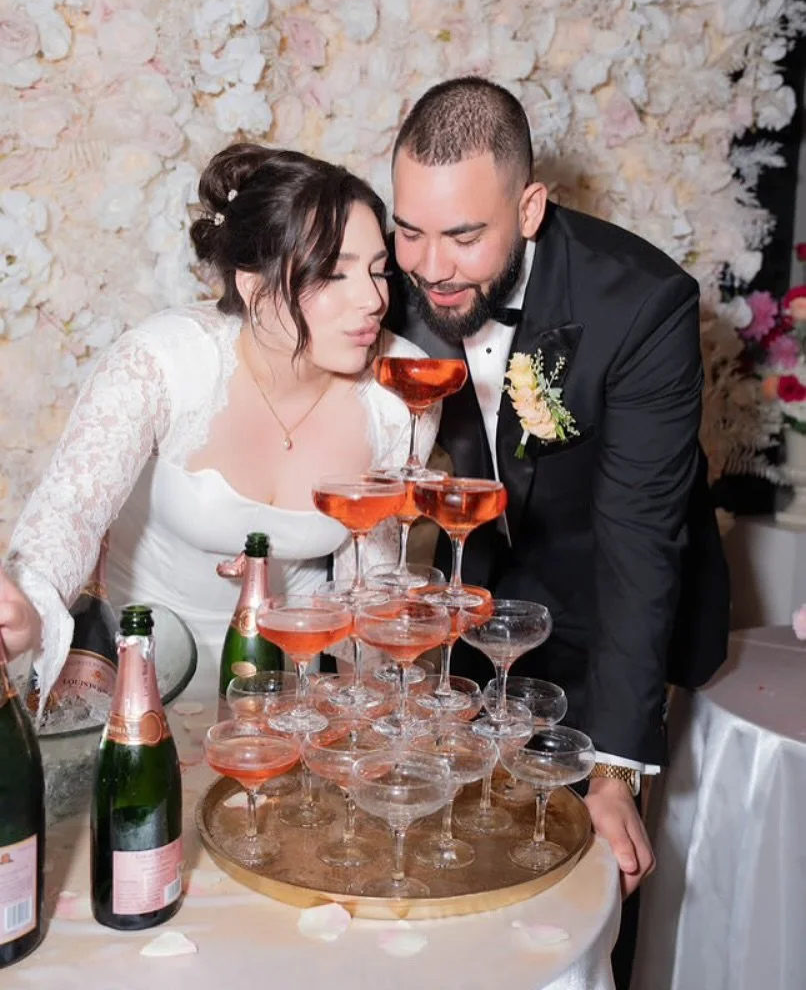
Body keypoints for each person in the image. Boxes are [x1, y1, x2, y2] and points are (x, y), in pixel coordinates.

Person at [386, 76, 730, 987]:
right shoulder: (392, 279)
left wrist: (616, 771)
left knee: (587, 874)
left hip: (610, 603)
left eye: (464, 236)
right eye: (411, 230)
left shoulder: (642, 304)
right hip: (484, 601)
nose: (430, 266)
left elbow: (640, 542)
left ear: (530, 208)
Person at [0, 143, 437, 706]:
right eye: (333, 274)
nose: (373, 299)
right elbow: (70, 513)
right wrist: (28, 605)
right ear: (253, 286)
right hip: (129, 681)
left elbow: (370, 588)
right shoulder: (160, 362)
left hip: (286, 697)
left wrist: (381, 712)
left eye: (379, 271)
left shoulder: (402, 393)